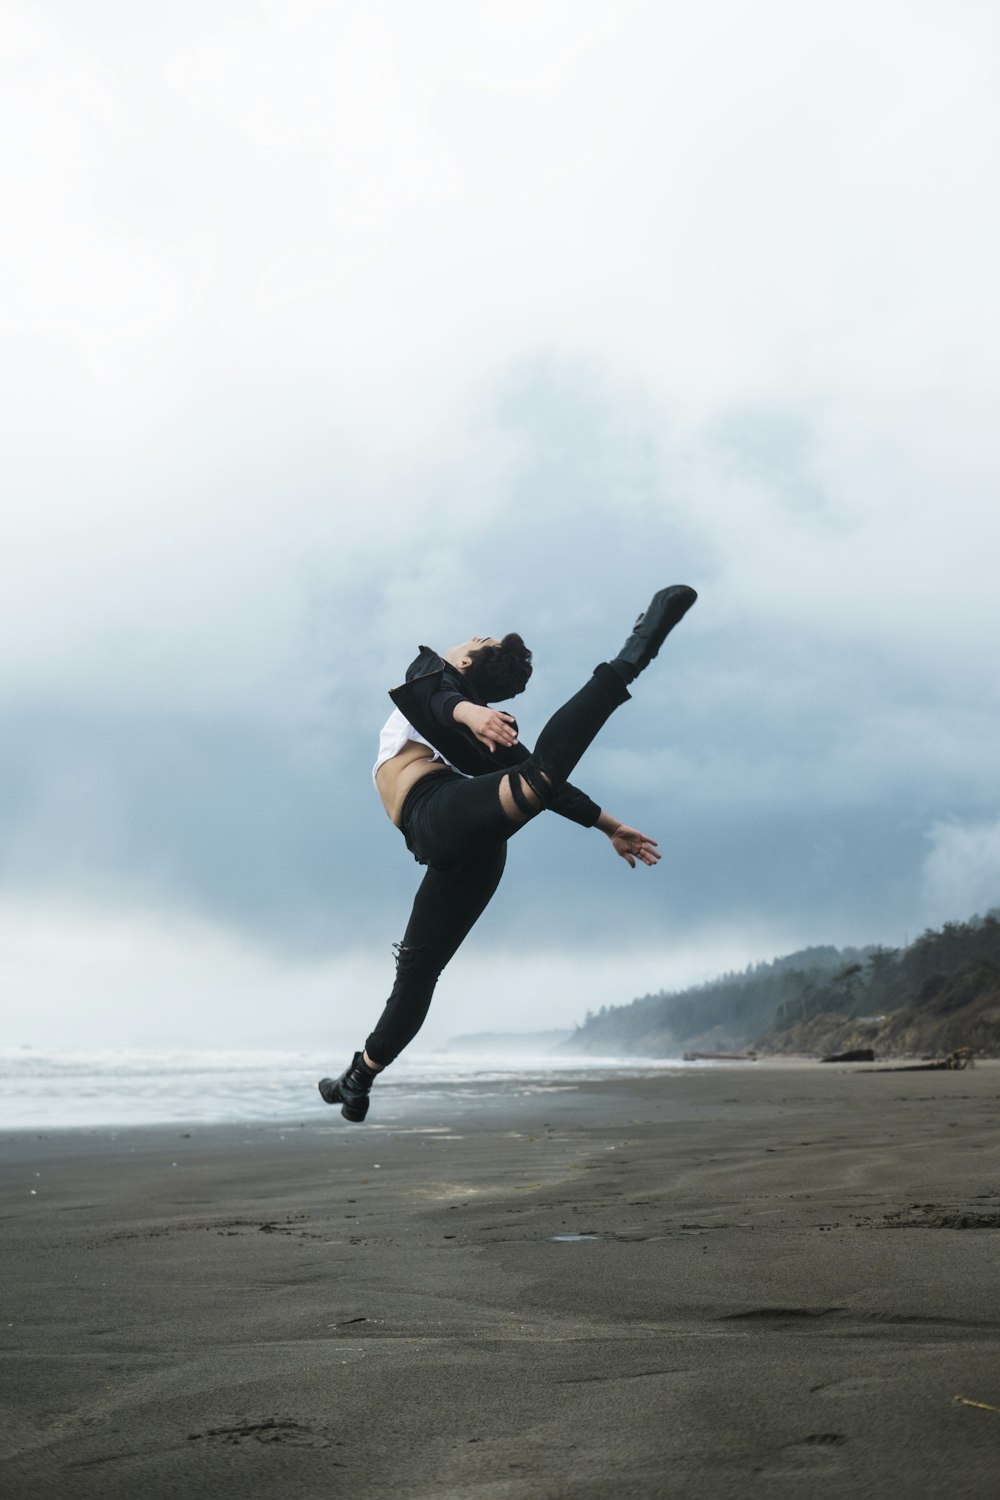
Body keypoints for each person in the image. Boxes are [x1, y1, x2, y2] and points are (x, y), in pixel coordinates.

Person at [319, 584, 697, 1121]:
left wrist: (606, 825)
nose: (469, 636)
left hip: (441, 811)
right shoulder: (432, 683)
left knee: (538, 777)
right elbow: (438, 698)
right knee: (415, 974)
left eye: (477, 639)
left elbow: (470, 718)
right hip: (449, 847)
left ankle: (632, 656)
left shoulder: (459, 701)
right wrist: (472, 715)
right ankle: (359, 1077)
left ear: (467, 659)